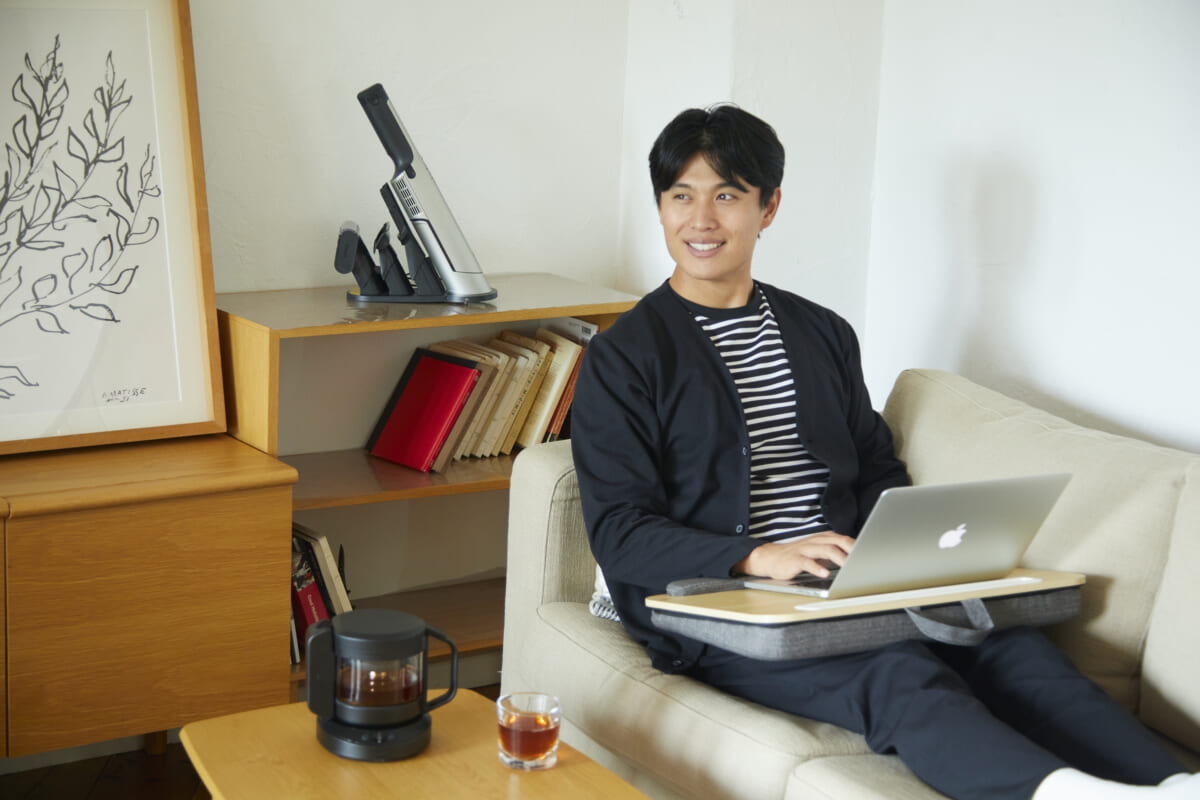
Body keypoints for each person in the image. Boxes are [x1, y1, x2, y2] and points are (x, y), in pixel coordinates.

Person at [569, 104, 1197, 800]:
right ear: (660, 207)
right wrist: (757, 556)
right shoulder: (624, 358)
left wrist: (907, 549)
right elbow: (619, 531)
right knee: (898, 674)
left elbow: (873, 465)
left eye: (727, 195)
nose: (701, 220)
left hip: (848, 582)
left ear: (768, 207)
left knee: (1009, 646)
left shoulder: (822, 333)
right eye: (681, 196)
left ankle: (1173, 782)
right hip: (725, 605)